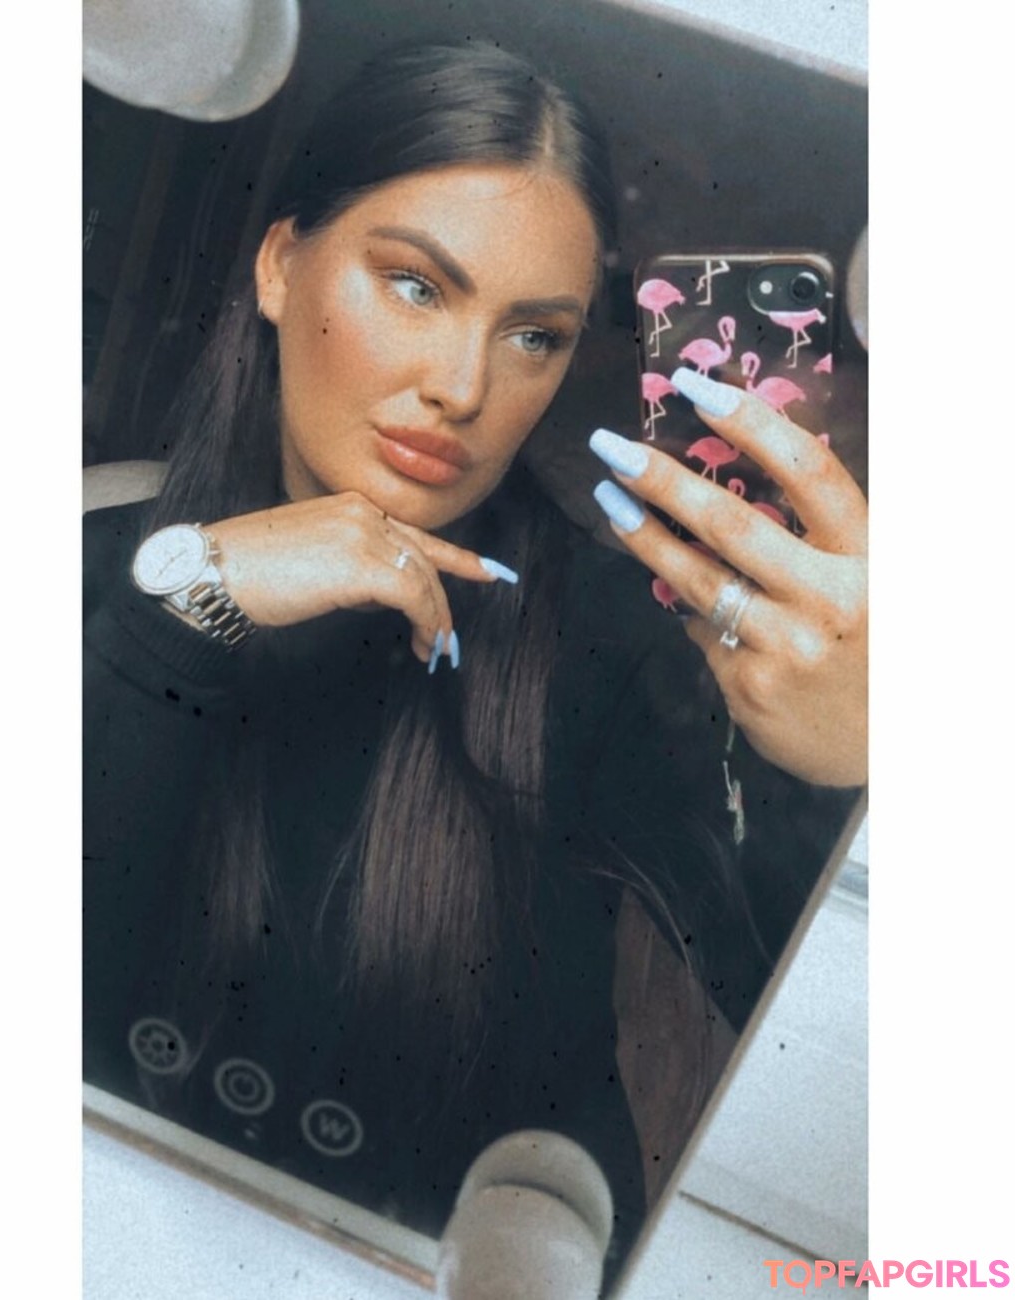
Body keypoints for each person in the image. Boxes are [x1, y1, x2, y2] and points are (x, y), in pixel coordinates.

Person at [83, 39, 866, 1277]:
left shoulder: (597, 642)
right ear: (281, 265)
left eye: (535, 336)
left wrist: (835, 777)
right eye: (415, 286)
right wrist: (183, 615)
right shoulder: (85, 557)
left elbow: (755, 1060)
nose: (462, 387)